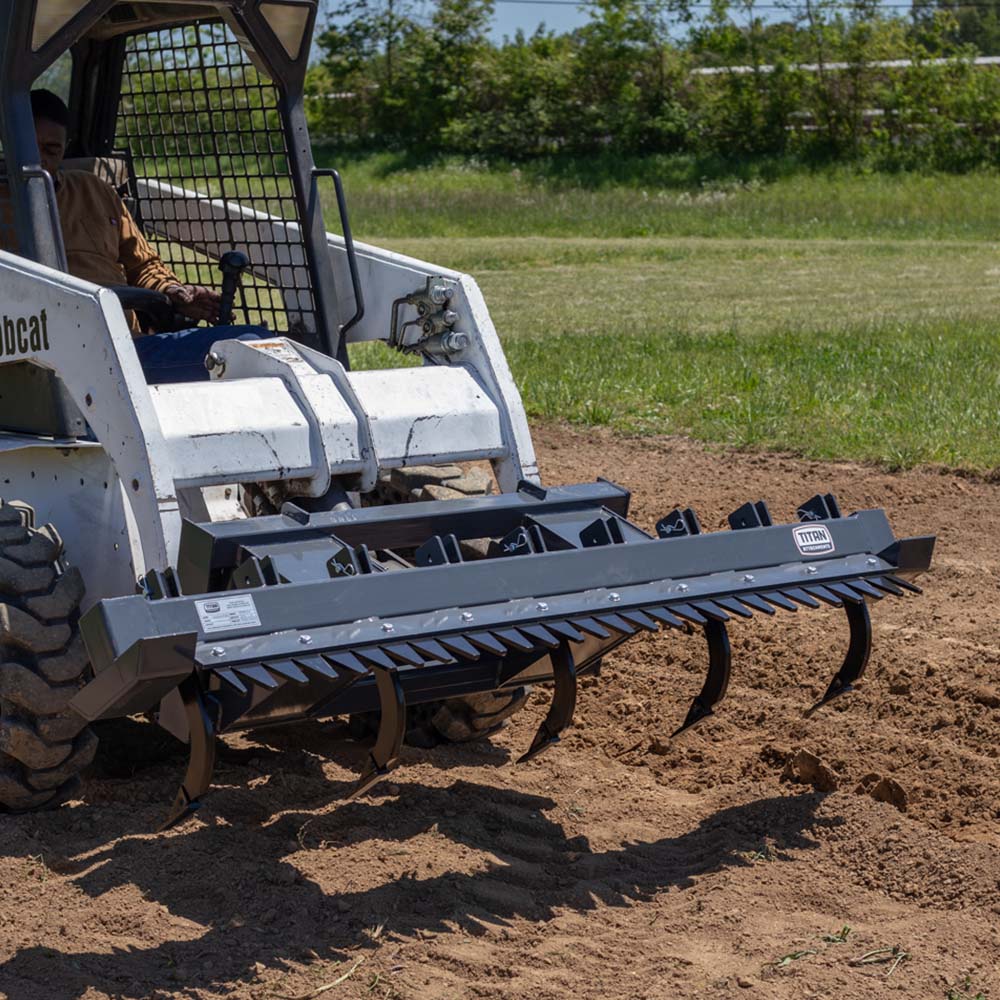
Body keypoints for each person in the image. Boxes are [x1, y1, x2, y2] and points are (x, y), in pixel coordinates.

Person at [24, 89, 259, 383]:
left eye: (51, 150)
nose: (40, 161)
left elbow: (143, 265)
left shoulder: (94, 191)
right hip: (44, 356)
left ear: (65, 147)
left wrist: (174, 292)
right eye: (30, 149)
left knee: (256, 345)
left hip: (124, 348)